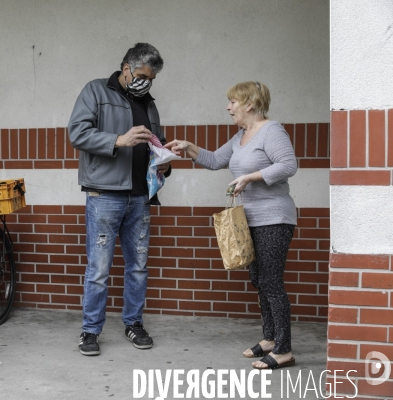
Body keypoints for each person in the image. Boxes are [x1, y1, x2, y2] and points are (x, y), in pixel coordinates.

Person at [165, 81, 297, 370]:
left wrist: (250, 177)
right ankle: (270, 338)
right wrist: (188, 147)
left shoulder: (271, 131)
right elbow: (214, 160)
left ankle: (284, 349)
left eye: (233, 102)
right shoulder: (241, 136)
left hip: (274, 218)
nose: (228, 107)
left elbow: (288, 165)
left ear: (249, 104)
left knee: (272, 283)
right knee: (258, 280)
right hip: (249, 220)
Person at [68, 43, 171, 356]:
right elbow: (77, 133)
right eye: (142, 75)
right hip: (105, 196)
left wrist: (165, 160)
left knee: (138, 267)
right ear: (126, 67)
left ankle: (134, 323)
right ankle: (90, 331)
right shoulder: (96, 92)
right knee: (99, 269)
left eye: (151, 79)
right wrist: (118, 140)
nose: (146, 83)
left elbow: (158, 143)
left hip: (141, 197)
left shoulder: (149, 103)